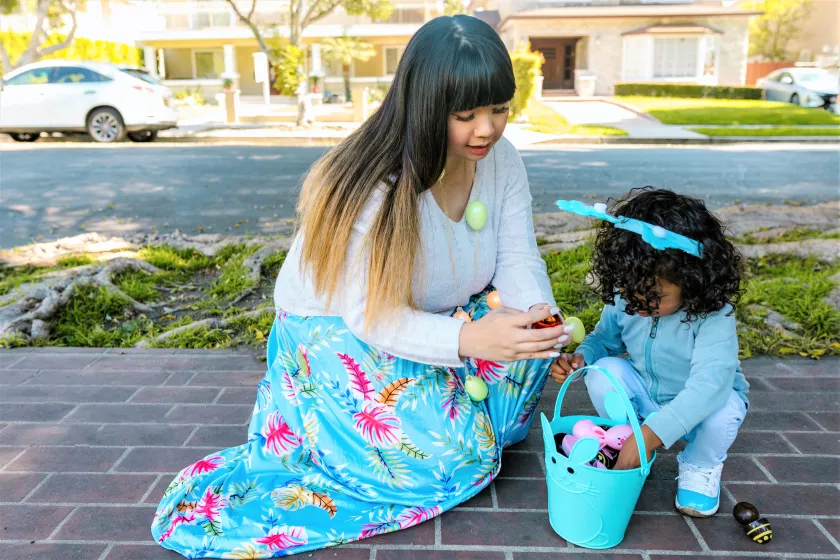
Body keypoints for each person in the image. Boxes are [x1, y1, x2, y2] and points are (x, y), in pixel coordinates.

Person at [152, 15, 572, 557]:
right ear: (424, 107)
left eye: (499, 109)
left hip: (441, 313)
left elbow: (517, 256)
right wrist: (469, 342)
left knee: (531, 343)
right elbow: (372, 317)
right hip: (342, 332)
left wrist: (542, 317)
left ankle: (460, 403)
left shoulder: (501, 160)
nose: (487, 130)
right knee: (451, 464)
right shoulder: (376, 184)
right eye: (465, 115)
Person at [551, 187, 748, 518]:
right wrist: (582, 358)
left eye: (653, 296)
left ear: (692, 279)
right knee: (607, 371)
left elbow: (709, 384)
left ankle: (700, 466)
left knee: (726, 405)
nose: (637, 304)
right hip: (646, 398)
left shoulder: (714, 315)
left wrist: (649, 436)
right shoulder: (629, 298)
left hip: (699, 408)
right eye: (629, 291)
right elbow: (605, 340)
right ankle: (623, 442)